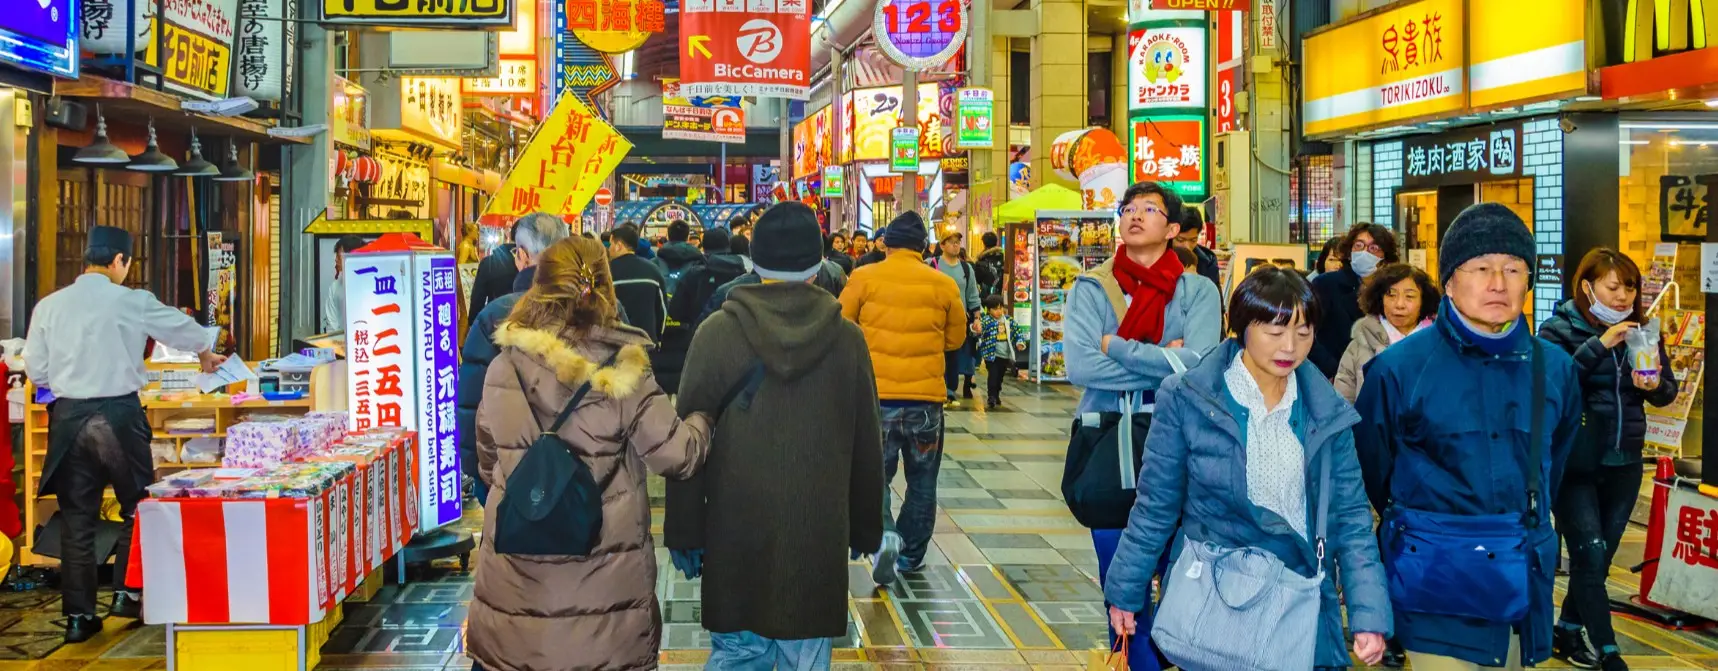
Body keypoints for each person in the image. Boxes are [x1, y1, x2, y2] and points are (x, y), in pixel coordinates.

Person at [1103, 266, 1391, 670]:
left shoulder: (1326, 412)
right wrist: (1125, 592)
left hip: (1299, 601)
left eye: (1304, 332)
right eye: (1275, 332)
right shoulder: (1188, 398)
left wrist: (1368, 616)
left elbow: (1351, 518)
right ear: (1241, 327)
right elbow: (1155, 506)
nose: (1290, 346)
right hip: (1217, 599)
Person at [1354, 203, 1583, 671]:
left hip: (1519, 581)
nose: (1498, 282)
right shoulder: (1399, 369)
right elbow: (1372, 467)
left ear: (1528, 280)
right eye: (1480, 268)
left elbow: (1553, 463)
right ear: (1450, 282)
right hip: (1433, 579)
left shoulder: (1555, 368)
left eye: (1513, 269)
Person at [468, 237, 712, 671]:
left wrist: (537, 497)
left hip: (515, 592)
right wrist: (703, 420)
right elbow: (677, 455)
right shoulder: (623, 368)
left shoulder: (505, 364)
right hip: (606, 599)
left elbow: (488, 460)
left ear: (538, 286)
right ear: (605, 288)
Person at [665, 202, 884, 669]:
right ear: (818, 260)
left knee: (738, 655)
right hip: (815, 543)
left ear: (754, 260)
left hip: (735, 539)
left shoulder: (717, 333)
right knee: (805, 657)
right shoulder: (846, 340)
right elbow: (868, 444)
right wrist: (866, 523)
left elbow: (686, 442)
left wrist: (684, 529)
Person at [23, 226, 227, 642]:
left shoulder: (50, 306)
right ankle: (127, 592)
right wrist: (205, 353)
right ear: (119, 261)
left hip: (69, 418)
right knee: (139, 505)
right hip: (118, 413)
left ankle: (79, 619)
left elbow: (36, 370)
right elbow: (185, 330)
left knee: (78, 518)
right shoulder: (132, 301)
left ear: (86, 261)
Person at [1063, 181, 1221, 667]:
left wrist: (1117, 347)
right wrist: (1164, 358)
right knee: (1120, 585)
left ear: (1173, 228)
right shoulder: (1092, 286)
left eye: (1148, 209)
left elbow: (1201, 363)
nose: (1134, 215)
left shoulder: (1198, 291)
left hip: (1178, 440)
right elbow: (1080, 367)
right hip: (1108, 440)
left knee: (1180, 577)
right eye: (1128, 208)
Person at [1538, 249, 1678, 671]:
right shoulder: (1557, 329)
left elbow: (1667, 391)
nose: (1622, 297)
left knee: (1600, 557)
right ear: (1587, 287)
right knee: (1590, 554)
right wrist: (1599, 346)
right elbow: (1550, 384)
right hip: (1576, 461)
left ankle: (1566, 628)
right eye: (1612, 287)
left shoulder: (1644, 332)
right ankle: (1609, 650)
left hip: (1627, 459)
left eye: (1629, 288)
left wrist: (1651, 385)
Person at [840, 211, 965, 585]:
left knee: (873, 476)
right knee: (923, 482)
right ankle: (910, 557)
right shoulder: (942, 284)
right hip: (926, 403)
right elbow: (956, 339)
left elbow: (842, 323)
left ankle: (884, 535)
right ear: (923, 246)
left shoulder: (864, 277)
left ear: (887, 243)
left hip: (875, 400)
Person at [457, 213, 571, 507]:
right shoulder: (603, 310)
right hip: (588, 478)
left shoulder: (495, 317)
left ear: (521, 256)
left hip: (510, 477)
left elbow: (472, 407)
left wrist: (480, 476)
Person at [1333, 263, 1439, 403]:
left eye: (1409, 296)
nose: (1399, 304)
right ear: (1380, 299)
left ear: (1423, 301)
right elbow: (1342, 403)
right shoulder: (1359, 346)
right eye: (1391, 295)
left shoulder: (1439, 345)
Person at [1309, 223, 1399, 378]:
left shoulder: (1392, 291)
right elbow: (1307, 333)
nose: (1364, 253)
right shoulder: (1326, 285)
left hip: (1381, 376)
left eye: (1373, 248)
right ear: (1350, 252)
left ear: (1385, 256)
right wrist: (1333, 370)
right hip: (1335, 376)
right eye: (1359, 245)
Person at [930, 232, 982, 402]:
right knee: (936, 352)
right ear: (942, 245)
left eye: (957, 242)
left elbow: (972, 294)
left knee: (954, 353)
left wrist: (976, 317)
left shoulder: (966, 268)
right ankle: (937, 385)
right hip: (935, 317)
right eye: (951, 242)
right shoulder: (932, 264)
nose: (955, 245)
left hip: (958, 319)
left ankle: (950, 388)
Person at [668, 228, 750, 334]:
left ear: (703, 247)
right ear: (728, 245)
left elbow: (675, 311)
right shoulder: (742, 269)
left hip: (702, 334)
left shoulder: (695, 272)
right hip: (737, 333)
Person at [606, 224, 669, 344]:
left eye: (611, 244)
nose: (609, 249)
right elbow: (663, 310)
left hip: (615, 343)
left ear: (619, 246)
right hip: (647, 342)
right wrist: (658, 338)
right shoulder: (653, 270)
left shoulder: (607, 272)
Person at [470, 223, 522, 318]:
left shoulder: (488, 263)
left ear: (510, 235)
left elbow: (477, 302)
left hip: (494, 323)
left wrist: (475, 324)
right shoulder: (537, 266)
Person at [975, 294, 1016, 409]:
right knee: (993, 375)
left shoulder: (1008, 320)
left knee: (1000, 377)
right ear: (989, 310)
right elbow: (978, 330)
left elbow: (1017, 332)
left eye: (1000, 308)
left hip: (1004, 355)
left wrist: (1019, 342)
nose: (998, 311)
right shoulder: (987, 321)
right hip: (991, 355)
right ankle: (991, 397)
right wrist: (976, 329)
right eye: (995, 309)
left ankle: (996, 394)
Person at [323, 235, 367, 333]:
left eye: (339, 256)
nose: (336, 260)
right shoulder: (335, 287)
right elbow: (331, 324)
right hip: (341, 343)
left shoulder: (370, 284)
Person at [1173, 205, 1222, 289]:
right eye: (1180, 240)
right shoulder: (1158, 257)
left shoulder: (1208, 261)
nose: (1187, 247)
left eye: (1193, 240)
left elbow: (1216, 298)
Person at [974, 231, 1007, 299]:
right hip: (1002, 297)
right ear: (996, 242)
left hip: (986, 299)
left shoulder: (980, 263)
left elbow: (976, 281)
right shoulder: (1004, 259)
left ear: (984, 244)